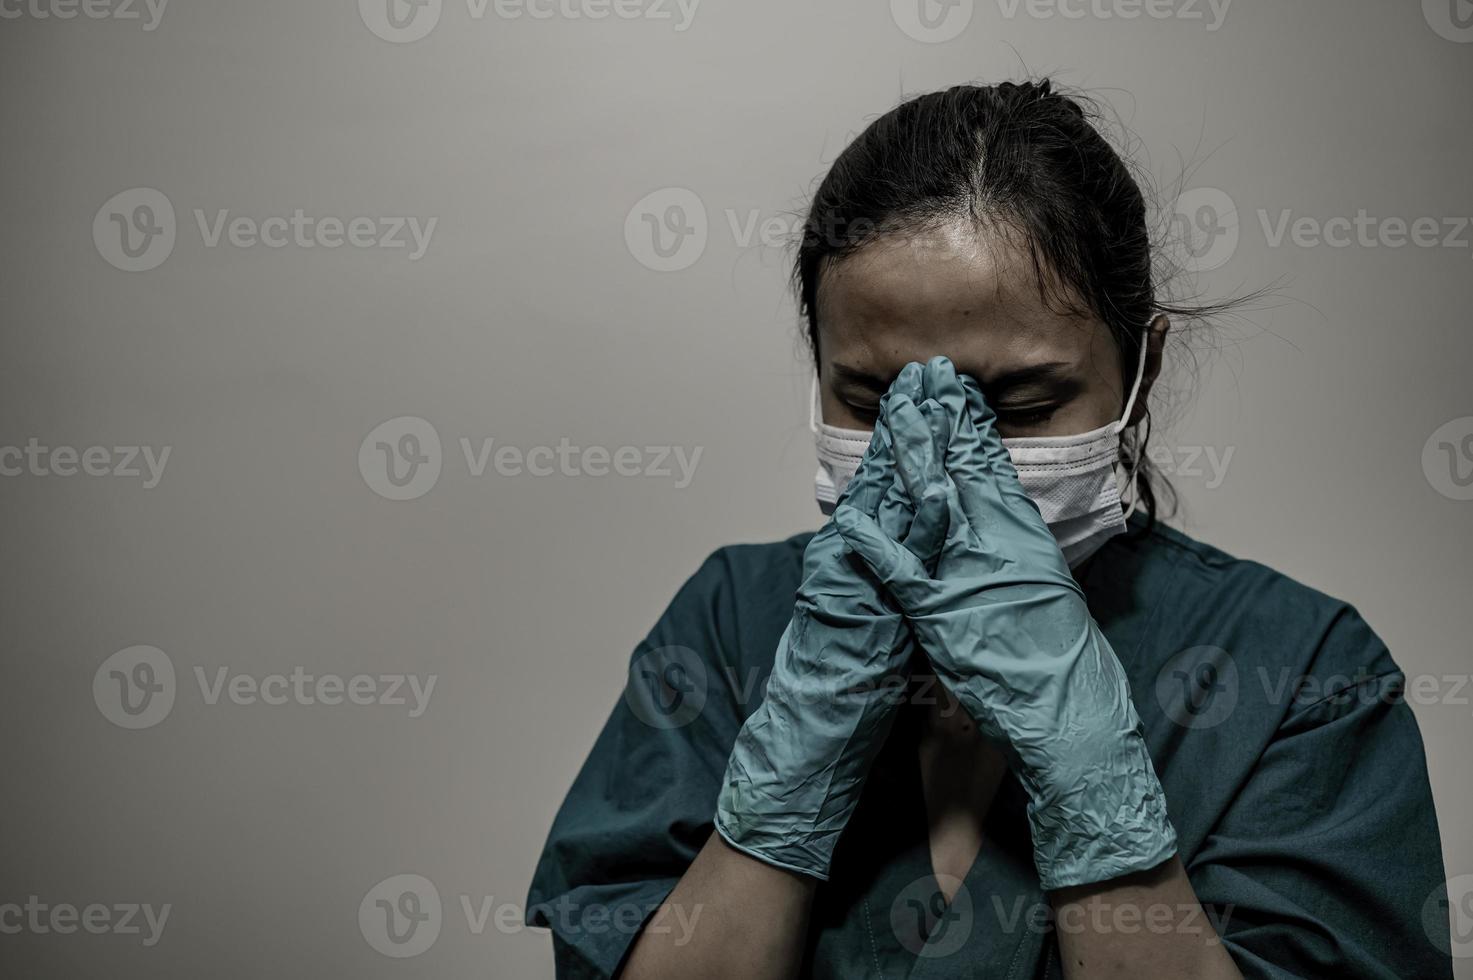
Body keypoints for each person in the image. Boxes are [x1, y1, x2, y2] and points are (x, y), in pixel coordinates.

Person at [525, 79, 1451, 979]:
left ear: (1144, 369)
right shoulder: (730, 621)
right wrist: (784, 788)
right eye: (871, 400)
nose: (935, 458)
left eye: (1019, 404)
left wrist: (1094, 795)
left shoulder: (1300, 670)